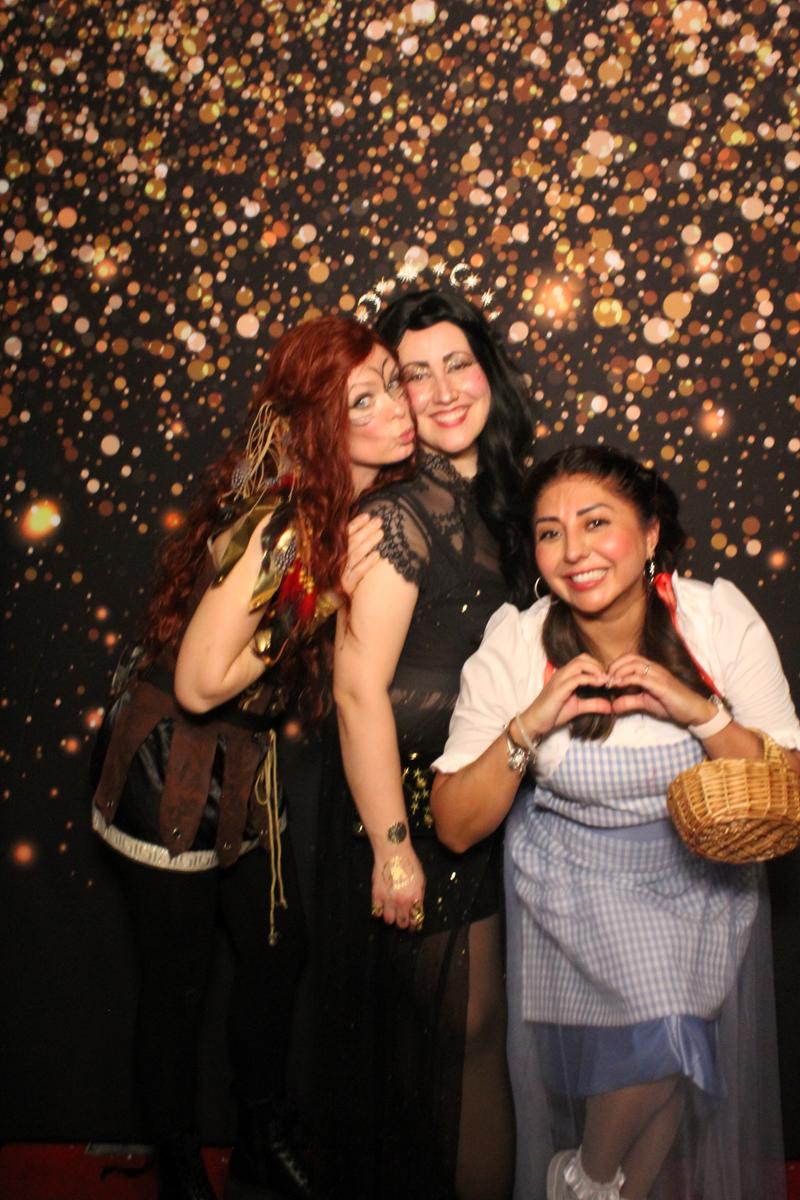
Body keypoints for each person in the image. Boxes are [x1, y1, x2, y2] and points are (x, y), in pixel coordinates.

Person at [91, 315, 415, 1200]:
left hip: (245, 760)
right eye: (363, 399)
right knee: (178, 984)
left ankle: (259, 1139)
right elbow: (199, 683)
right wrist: (317, 599)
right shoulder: (285, 526)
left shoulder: (335, 510)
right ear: (320, 426)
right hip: (173, 766)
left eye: (392, 382)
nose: (396, 407)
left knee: (276, 955)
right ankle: (180, 1169)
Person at [431, 444, 799, 1200]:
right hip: (577, 889)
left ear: (650, 532)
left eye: (597, 522)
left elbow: (788, 784)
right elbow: (456, 826)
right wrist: (529, 725)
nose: (575, 551)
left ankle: (585, 1185)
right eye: (551, 532)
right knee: (669, 1034)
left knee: (673, 1064)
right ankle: (585, 1179)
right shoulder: (517, 642)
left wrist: (699, 712)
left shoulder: (714, 618)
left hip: (701, 884)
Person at [315, 289, 536, 1199]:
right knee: (455, 1042)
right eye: (416, 374)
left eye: (458, 364)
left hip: (487, 797)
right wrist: (393, 849)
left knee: (476, 1039)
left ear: (488, 371)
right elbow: (355, 689)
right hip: (410, 810)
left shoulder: (509, 498)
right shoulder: (396, 518)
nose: (442, 391)